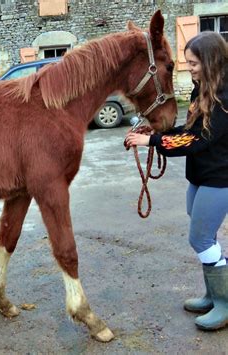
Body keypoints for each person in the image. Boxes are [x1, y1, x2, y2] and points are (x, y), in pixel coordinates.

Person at [125, 31, 228, 330]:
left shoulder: (224, 99)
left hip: (219, 179)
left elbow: (197, 140)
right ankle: (213, 294)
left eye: (193, 62)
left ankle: (224, 302)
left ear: (209, 61)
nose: (189, 68)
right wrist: (154, 135)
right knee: (201, 230)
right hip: (201, 175)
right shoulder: (203, 89)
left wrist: (154, 142)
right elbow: (190, 127)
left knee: (200, 237)